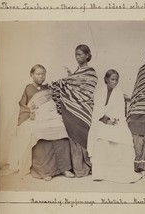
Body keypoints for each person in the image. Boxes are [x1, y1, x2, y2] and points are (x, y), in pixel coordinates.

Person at [7, 64, 75, 181]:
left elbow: (53, 103)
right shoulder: (27, 88)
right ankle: (45, 170)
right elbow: (22, 106)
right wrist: (30, 111)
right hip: (32, 117)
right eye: (38, 74)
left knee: (61, 128)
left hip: (48, 116)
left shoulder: (47, 88)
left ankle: (64, 168)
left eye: (43, 74)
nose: (41, 77)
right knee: (39, 132)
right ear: (31, 75)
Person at [50, 45, 98, 177]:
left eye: (81, 54)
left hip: (84, 108)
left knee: (84, 133)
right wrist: (66, 80)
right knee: (73, 134)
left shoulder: (90, 72)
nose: (78, 57)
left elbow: (87, 89)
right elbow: (70, 85)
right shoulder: (76, 73)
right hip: (73, 107)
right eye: (76, 54)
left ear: (88, 55)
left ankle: (88, 166)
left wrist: (65, 81)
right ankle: (79, 168)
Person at [87, 69, 142, 183]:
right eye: (112, 79)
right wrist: (105, 120)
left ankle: (119, 170)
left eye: (117, 80)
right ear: (106, 80)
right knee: (101, 135)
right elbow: (97, 110)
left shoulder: (118, 93)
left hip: (115, 120)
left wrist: (114, 120)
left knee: (124, 134)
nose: (115, 82)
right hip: (100, 120)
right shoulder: (100, 92)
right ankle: (100, 172)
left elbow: (119, 112)